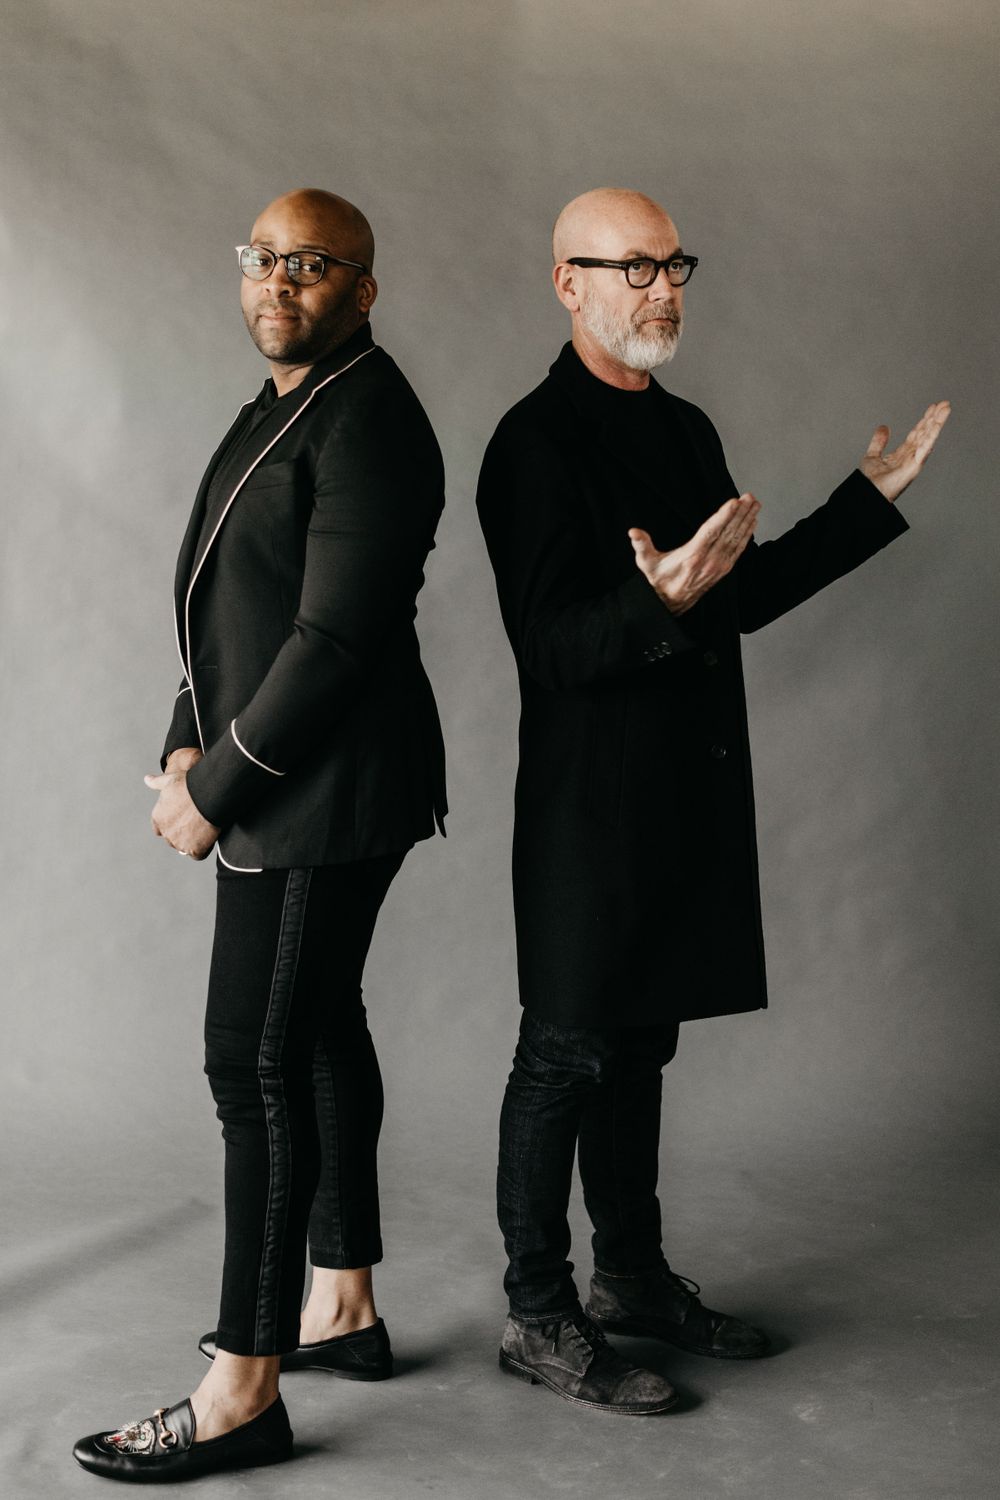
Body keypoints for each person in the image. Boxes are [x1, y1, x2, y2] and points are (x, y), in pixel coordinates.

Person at [476, 187, 949, 1416]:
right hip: (588, 810)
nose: (661, 289)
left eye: (672, 264)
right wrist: (658, 601)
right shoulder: (531, 444)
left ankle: (631, 1281)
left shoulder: (683, 429)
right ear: (567, 283)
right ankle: (537, 1314)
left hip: (681, 796)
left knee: (639, 1047)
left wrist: (864, 503)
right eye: (631, 268)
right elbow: (550, 649)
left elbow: (733, 598)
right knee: (565, 1054)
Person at [73, 189, 447, 1481]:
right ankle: (342, 1306)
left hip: (322, 789)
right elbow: (224, 605)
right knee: (321, 1025)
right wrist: (186, 735)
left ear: (363, 288)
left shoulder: (372, 419)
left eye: (312, 261)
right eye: (263, 256)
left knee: (256, 1063)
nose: (279, 279)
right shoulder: (280, 404)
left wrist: (216, 788)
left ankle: (243, 1389)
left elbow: (332, 640)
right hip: (279, 771)